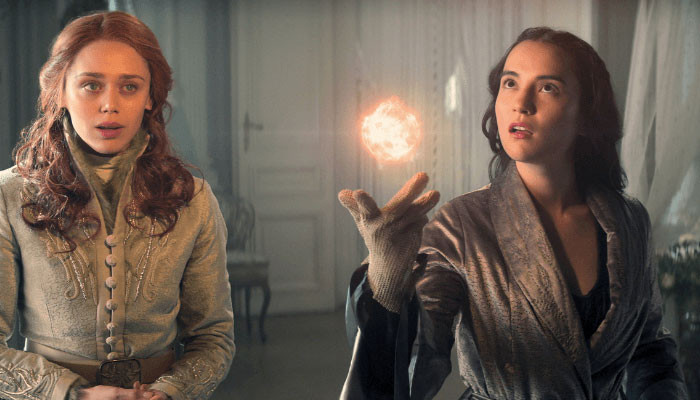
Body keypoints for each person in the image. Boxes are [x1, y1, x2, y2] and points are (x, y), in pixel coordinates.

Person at [339, 27, 688, 399]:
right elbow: (415, 367)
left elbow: (650, 350)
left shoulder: (630, 221)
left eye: (548, 87)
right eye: (510, 83)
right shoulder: (461, 225)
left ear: (587, 115)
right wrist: (386, 285)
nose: (521, 103)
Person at [0, 11, 234, 400]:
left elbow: (213, 337)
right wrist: (75, 395)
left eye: (129, 87)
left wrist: (169, 391)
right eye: (91, 85)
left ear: (150, 97)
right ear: (61, 92)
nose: (110, 104)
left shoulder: (192, 199)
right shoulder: (9, 196)